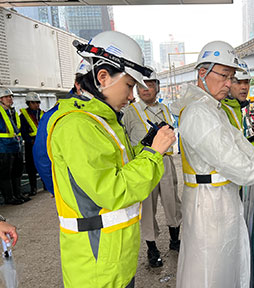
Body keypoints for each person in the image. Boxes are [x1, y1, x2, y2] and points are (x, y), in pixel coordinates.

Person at [46, 31, 175, 288]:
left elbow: (120, 169)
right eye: (129, 86)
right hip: (96, 263)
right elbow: (113, 191)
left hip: (113, 255)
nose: (131, 97)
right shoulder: (77, 126)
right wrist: (154, 154)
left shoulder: (102, 121)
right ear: (103, 77)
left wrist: (145, 148)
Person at [171, 40, 254, 288]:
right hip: (208, 201)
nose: (228, 84)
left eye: (231, 77)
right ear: (203, 72)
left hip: (220, 197)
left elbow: (236, 141)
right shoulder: (198, 112)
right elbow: (225, 157)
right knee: (209, 269)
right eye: (224, 76)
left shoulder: (213, 109)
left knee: (223, 265)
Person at [123, 70, 182, 268]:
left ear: (157, 86)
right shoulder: (130, 112)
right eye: (140, 85)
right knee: (147, 208)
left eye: (149, 85)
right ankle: (152, 247)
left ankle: (175, 240)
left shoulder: (165, 109)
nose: (144, 89)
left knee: (172, 201)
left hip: (165, 163)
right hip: (143, 164)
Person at [33, 59, 91, 196]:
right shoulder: (54, 116)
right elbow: (43, 157)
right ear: (78, 84)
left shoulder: (108, 111)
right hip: (76, 197)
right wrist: (57, 190)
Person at [221, 59, 254, 153]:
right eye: (238, 82)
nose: (244, 87)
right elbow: (233, 155)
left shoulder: (236, 107)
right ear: (228, 83)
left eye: (246, 82)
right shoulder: (222, 111)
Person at [0, 88, 29, 205]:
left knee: (17, 172)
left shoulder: (12, 111)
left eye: (11, 96)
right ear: (1, 99)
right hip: (3, 148)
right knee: (5, 174)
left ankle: (18, 194)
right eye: (7, 97)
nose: (10, 99)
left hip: (15, 146)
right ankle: (9, 197)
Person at [20, 92, 44, 196]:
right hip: (31, 144)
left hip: (43, 143)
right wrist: (30, 140)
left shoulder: (43, 113)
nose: (36, 105)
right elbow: (23, 131)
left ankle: (46, 185)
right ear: (29, 103)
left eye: (38, 102)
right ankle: (33, 187)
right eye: (34, 103)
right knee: (31, 167)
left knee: (44, 164)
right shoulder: (23, 116)